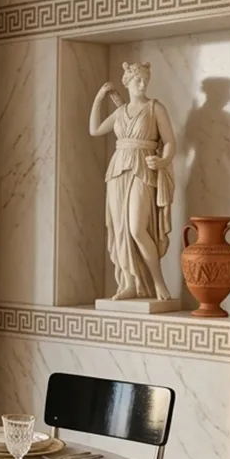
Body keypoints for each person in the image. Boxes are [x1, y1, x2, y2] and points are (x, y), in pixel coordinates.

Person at [89, 61, 176, 301]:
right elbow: (95, 129)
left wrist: (163, 160)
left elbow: (170, 141)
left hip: (142, 168)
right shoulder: (120, 112)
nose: (142, 83)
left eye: (145, 80)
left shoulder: (154, 108)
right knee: (120, 230)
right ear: (127, 82)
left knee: (137, 228)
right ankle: (129, 283)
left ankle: (158, 282)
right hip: (118, 170)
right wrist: (99, 97)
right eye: (138, 79)